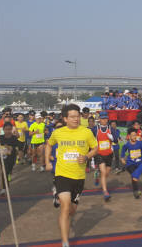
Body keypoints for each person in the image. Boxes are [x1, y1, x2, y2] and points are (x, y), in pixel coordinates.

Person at [45, 104, 98, 247]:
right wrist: (47, 161)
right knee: (65, 207)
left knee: (72, 211)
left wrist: (86, 157)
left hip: (79, 177)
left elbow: (95, 148)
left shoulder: (87, 132)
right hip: (62, 174)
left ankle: (57, 196)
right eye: (72, 117)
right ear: (65, 118)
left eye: (78, 116)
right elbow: (49, 144)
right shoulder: (58, 133)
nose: (76, 119)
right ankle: (65, 242)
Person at [91, 113, 117, 201]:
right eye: (102, 119)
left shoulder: (111, 129)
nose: (104, 120)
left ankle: (98, 175)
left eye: (106, 118)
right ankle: (105, 192)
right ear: (99, 120)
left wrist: (112, 138)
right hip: (99, 154)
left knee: (107, 172)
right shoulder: (95, 129)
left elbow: (116, 140)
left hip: (109, 153)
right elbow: (90, 140)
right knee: (103, 171)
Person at [121, 127, 142, 198]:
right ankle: (136, 191)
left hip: (139, 164)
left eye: (135, 135)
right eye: (133, 135)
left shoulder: (140, 143)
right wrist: (122, 158)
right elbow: (123, 150)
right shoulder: (127, 144)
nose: (134, 137)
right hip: (130, 164)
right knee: (134, 175)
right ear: (129, 136)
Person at [0, 123, 21, 195]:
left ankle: (8, 175)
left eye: (9, 129)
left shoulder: (14, 138)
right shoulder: (0, 138)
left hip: (11, 158)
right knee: (4, 171)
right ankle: (4, 188)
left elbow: (18, 148)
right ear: (3, 130)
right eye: (6, 129)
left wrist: (11, 148)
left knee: (8, 170)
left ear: (11, 130)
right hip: (1, 158)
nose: (8, 131)